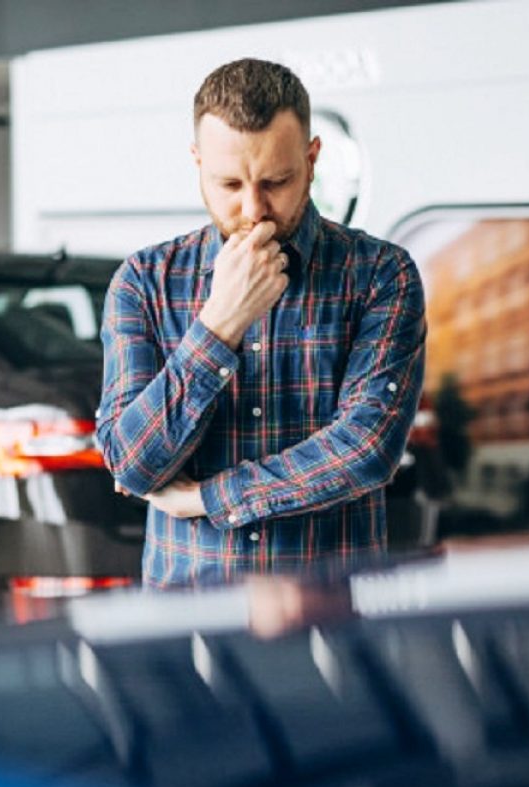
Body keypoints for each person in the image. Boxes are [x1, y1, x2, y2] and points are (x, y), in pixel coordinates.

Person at [97, 58, 426, 588]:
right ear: (197, 162)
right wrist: (220, 324)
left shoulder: (380, 275)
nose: (254, 209)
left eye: (276, 180)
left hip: (329, 622)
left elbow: (366, 449)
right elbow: (132, 465)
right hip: (188, 627)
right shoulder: (144, 281)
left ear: (313, 159)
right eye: (229, 183)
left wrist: (207, 497)